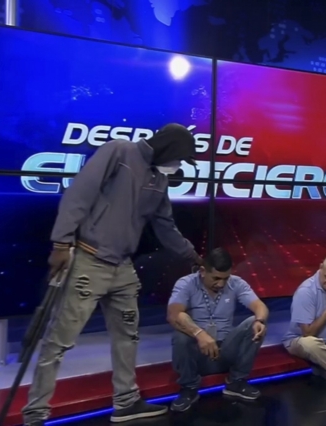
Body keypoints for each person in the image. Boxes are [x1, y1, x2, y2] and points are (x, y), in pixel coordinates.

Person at [21, 124, 202, 426]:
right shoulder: (119, 151)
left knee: (128, 336)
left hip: (122, 267)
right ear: (169, 149)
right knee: (59, 341)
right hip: (88, 261)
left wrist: (192, 255)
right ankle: (36, 413)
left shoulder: (159, 178)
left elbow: (165, 225)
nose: (179, 165)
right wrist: (61, 242)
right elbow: (79, 195)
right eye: (180, 158)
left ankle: (126, 401)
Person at [167, 247, 269, 412]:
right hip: (198, 352)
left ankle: (236, 382)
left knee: (255, 324)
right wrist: (200, 334)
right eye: (216, 278)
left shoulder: (236, 283)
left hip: (225, 350)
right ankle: (189, 388)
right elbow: (174, 314)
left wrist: (260, 320)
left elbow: (260, 306)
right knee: (180, 335)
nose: (221, 284)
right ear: (202, 271)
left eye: (225, 278)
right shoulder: (186, 283)